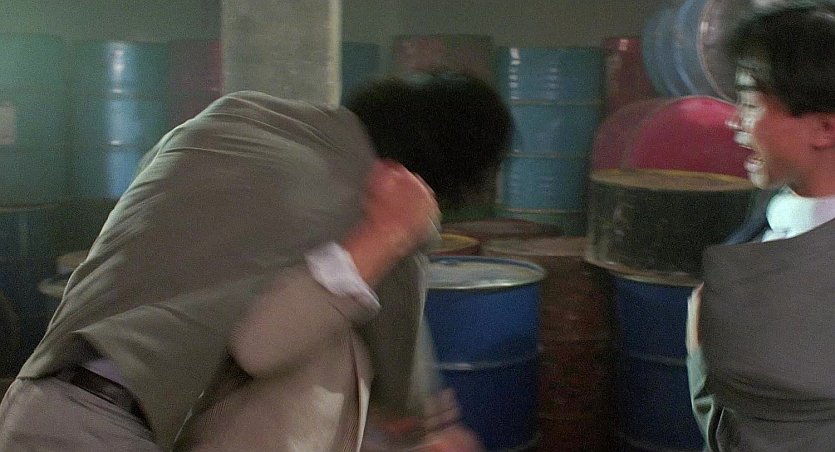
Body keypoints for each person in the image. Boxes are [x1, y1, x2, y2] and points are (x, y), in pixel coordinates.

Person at [0, 70, 512, 451]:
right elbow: (399, 380)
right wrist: (421, 421)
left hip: (31, 400)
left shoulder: (231, 116)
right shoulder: (380, 200)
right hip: (109, 431)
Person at [686, 1, 835, 450]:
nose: (734, 120)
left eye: (750, 103)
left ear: (825, 129)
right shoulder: (770, 218)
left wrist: (700, 354)